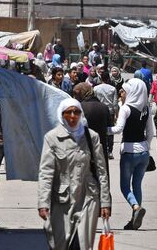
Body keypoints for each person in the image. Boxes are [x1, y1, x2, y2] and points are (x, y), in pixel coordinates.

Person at [37, 99, 111, 249]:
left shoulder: (91, 137)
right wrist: (43, 203)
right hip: (62, 200)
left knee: (83, 245)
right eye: (68, 112)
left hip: (88, 198)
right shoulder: (52, 138)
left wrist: (105, 202)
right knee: (60, 244)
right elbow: (46, 172)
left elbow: (102, 171)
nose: (72, 116)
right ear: (61, 114)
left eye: (76, 112)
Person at [107, 79, 155, 230]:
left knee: (124, 187)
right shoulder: (146, 108)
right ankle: (134, 219)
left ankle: (135, 207)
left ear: (132, 92)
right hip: (144, 153)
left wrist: (103, 129)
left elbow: (118, 129)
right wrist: (146, 147)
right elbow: (150, 132)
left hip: (129, 152)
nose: (121, 93)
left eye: (124, 90)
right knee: (137, 185)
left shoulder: (126, 108)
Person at [73, 83, 111, 164]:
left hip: (85, 149)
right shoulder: (104, 107)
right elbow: (109, 129)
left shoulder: (80, 107)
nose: (75, 97)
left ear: (82, 92)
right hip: (101, 147)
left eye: (76, 94)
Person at [94, 72, 118, 159]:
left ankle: (99, 150)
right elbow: (115, 103)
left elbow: (94, 100)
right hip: (109, 112)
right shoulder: (113, 89)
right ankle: (110, 151)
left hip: (99, 111)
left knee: (99, 130)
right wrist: (116, 115)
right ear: (108, 79)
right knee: (110, 131)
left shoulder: (95, 88)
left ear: (100, 79)